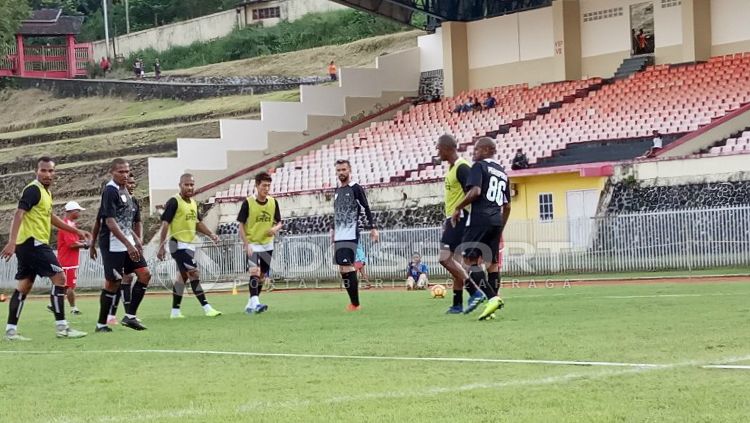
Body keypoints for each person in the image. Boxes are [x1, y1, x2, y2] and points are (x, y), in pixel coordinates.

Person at [1, 157, 90, 340]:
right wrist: (11, 241)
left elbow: (51, 218)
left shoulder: (46, 193)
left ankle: (11, 331)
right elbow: (19, 214)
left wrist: (77, 230)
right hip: (34, 243)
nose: (47, 174)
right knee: (60, 278)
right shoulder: (33, 190)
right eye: (44, 170)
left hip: (28, 244)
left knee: (24, 286)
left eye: (51, 171)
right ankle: (62, 328)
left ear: (54, 173)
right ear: (36, 171)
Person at [451, 137, 511, 321]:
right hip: (496, 220)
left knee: (469, 262)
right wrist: (500, 226)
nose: (473, 153)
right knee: (492, 265)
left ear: (486, 150)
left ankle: (492, 298)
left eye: (476, 150)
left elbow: (475, 191)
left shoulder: (479, 167)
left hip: (479, 219)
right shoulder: (502, 172)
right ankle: (492, 304)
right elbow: (507, 206)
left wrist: (458, 207)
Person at [93, 158, 151, 332]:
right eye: (121, 172)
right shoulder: (110, 191)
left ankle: (130, 316)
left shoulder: (126, 191)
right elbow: (109, 222)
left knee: (145, 274)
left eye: (127, 172)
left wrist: (135, 241)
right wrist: (129, 244)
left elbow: (126, 222)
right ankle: (101, 323)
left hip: (127, 242)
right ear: (112, 172)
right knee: (113, 283)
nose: (125, 175)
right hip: (112, 244)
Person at [157, 174, 223, 318]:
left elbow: (197, 223)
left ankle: (175, 311)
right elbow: (165, 224)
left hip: (189, 245)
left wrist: (211, 234)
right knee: (194, 273)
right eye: (186, 184)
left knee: (182, 277)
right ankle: (207, 308)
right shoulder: (174, 201)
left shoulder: (193, 203)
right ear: (180, 185)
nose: (189, 187)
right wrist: (161, 246)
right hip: (177, 244)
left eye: (192, 185)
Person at [436, 134, 484, 314]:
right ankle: (457, 304)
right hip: (454, 218)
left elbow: (474, 191)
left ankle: (474, 291)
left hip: (461, 218)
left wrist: (458, 209)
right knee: (454, 262)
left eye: (439, 148)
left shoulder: (462, 167)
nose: (437, 151)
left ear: (447, 148)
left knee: (444, 258)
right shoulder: (452, 168)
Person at [91, 175, 140, 326]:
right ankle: (110, 316)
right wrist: (92, 243)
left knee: (130, 277)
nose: (131, 185)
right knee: (116, 281)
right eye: (129, 182)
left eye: (133, 182)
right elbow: (100, 223)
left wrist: (138, 239)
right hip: (114, 246)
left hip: (128, 245)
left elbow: (135, 223)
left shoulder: (134, 202)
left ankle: (128, 315)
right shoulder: (110, 202)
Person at [332, 159, 378, 311]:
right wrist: (332, 230)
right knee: (342, 268)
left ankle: (355, 304)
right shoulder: (337, 191)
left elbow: (366, 207)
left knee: (348, 266)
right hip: (339, 235)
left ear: (349, 170)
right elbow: (337, 213)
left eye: (344, 169)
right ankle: (353, 302)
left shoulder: (355, 188)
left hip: (350, 233)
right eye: (339, 170)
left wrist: (373, 228)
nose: (341, 173)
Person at [237, 172, 283, 315]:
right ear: (257, 186)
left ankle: (251, 304)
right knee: (254, 272)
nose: (266, 188)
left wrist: (274, 229)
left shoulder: (273, 202)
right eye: (264, 185)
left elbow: (280, 222)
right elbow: (241, 225)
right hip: (253, 243)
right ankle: (256, 303)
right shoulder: (248, 203)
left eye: (268, 185)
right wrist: (246, 244)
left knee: (262, 275)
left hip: (267, 244)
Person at [52, 201, 89, 316]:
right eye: (78, 211)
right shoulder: (66, 226)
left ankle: (53, 304)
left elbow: (74, 241)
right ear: (72, 212)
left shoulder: (71, 225)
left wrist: (83, 242)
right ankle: (74, 308)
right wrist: (86, 245)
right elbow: (71, 244)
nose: (79, 214)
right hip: (67, 261)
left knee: (65, 285)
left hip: (70, 260)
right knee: (70, 286)